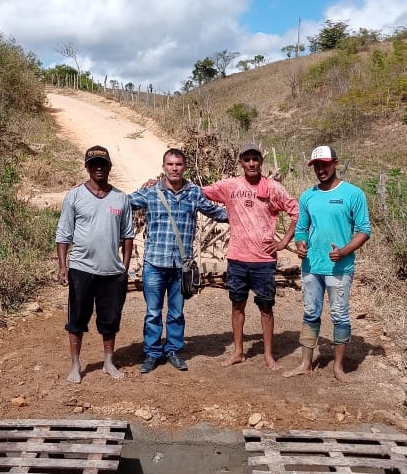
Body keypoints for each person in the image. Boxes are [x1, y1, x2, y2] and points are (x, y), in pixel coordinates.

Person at [129, 148, 228, 373]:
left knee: (176, 312)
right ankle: (152, 353)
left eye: (178, 164)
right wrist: (88, 190)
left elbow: (218, 213)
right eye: (170, 164)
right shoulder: (151, 192)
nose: (174, 168)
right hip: (154, 263)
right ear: (163, 167)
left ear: (185, 167)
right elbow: (121, 202)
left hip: (180, 266)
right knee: (153, 312)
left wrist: (248, 209)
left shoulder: (193, 193)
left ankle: (173, 350)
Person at [202, 143, 299, 371]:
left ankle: (267, 354)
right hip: (237, 258)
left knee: (266, 307)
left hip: (264, 260)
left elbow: (296, 211)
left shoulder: (273, 188)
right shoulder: (230, 186)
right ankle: (238, 352)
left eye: (255, 159)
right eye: (247, 159)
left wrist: (283, 242)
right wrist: (163, 183)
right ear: (241, 162)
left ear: (261, 162)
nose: (252, 163)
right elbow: (199, 191)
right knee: (237, 305)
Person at [283, 144, 370, 382]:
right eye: (317, 166)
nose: (321, 169)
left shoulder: (353, 194)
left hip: (339, 268)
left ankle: (338, 368)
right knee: (310, 313)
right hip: (312, 266)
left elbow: (363, 230)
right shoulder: (307, 196)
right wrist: (300, 244)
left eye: (325, 164)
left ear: (335, 163)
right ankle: (305, 363)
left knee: (340, 315)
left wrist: (344, 251)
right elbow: (301, 228)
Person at [56, 145, 134, 383]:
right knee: (77, 319)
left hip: (112, 271)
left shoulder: (121, 198)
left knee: (110, 319)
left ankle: (108, 362)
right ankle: (75, 365)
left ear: (110, 166)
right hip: (81, 269)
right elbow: (63, 233)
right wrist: (63, 266)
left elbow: (128, 234)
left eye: (103, 163)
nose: (99, 167)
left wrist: (125, 267)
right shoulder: (75, 196)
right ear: (87, 167)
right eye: (94, 164)